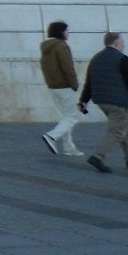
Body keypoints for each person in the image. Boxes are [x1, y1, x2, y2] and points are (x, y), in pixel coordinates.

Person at [77, 31, 128, 174]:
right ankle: (97, 156)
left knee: (124, 128)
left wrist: (83, 100)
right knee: (117, 130)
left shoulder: (96, 58)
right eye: (122, 42)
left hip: (101, 101)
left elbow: (89, 82)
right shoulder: (122, 59)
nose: (124, 44)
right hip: (119, 102)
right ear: (116, 43)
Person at [39, 20, 84, 156]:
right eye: (66, 30)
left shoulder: (46, 47)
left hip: (53, 86)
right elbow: (67, 67)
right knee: (74, 116)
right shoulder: (61, 46)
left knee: (66, 116)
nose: (68, 33)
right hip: (64, 86)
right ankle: (52, 136)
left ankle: (68, 147)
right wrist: (74, 84)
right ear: (61, 32)